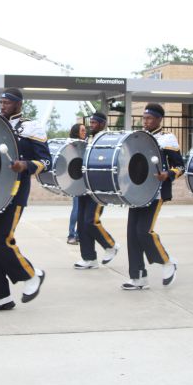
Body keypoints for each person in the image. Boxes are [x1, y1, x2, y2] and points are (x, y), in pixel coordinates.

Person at [0, 88, 50, 313]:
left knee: (1, 240)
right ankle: (0, 297)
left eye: (7, 103)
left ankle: (31, 274)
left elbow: (46, 161)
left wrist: (26, 165)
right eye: (0, 102)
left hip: (14, 192)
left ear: (19, 104)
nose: (2, 106)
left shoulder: (31, 127)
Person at [122, 103, 182, 290]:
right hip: (137, 191)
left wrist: (168, 174)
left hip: (156, 193)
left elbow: (180, 166)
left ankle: (167, 262)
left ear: (158, 119)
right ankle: (138, 277)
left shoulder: (167, 139)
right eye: (144, 118)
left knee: (143, 232)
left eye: (149, 118)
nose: (145, 121)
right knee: (132, 235)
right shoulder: (139, 137)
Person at [74, 112, 120, 269]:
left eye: (94, 123)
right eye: (91, 122)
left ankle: (111, 246)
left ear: (102, 124)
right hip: (85, 185)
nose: (91, 125)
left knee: (90, 221)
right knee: (81, 224)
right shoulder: (88, 139)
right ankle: (89, 259)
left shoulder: (108, 139)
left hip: (99, 186)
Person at [66, 123, 86, 245]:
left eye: (85, 130)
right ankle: (71, 235)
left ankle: (79, 234)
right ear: (76, 132)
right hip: (75, 180)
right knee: (77, 208)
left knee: (82, 210)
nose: (85, 132)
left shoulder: (84, 144)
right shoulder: (72, 144)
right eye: (82, 130)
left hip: (84, 180)